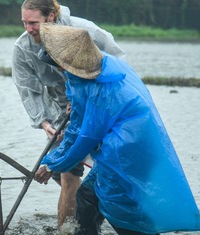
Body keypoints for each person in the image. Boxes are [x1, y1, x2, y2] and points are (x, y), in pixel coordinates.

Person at [34, 23, 200, 235]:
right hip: (142, 144)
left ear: (67, 64)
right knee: (91, 199)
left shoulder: (93, 87)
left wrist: (51, 164)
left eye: (58, 65)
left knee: (118, 210)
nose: (58, 69)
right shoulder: (108, 65)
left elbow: (82, 135)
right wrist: (78, 104)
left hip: (124, 154)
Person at [12, 0, 126, 228]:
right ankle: (68, 228)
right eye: (24, 22)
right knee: (67, 177)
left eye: (33, 23)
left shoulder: (86, 33)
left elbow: (119, 66)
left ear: (51, 17)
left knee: (92, 177)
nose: (28, 29)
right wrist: (45, 124)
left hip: (96, 109)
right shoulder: (23, 48)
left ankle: (88, 220)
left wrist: (90, 96)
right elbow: (29, 91)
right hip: (58, 114)